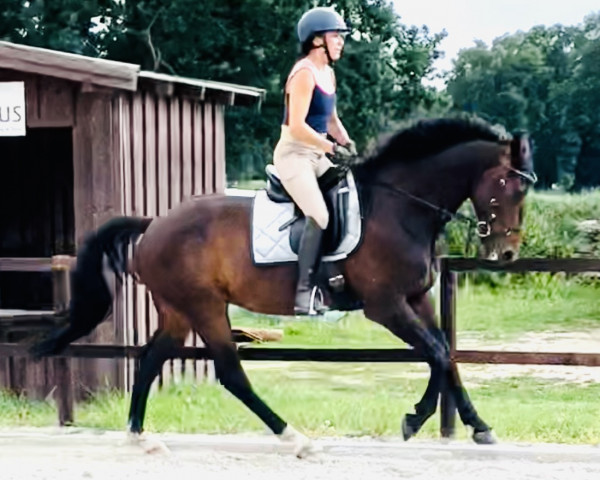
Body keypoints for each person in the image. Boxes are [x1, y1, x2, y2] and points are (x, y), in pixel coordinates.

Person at [273, 6, 357, 315]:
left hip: (318, 153)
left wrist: (348, 144)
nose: (341, 42)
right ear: (317, 40)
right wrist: (330, 148)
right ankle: (303, 292)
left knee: (349, 195)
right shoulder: (304, 74)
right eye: (336, 36)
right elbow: (297, 125)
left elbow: (331, 121)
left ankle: (333, 267)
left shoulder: (328, 73)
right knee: (319, 215)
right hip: (294, 154)